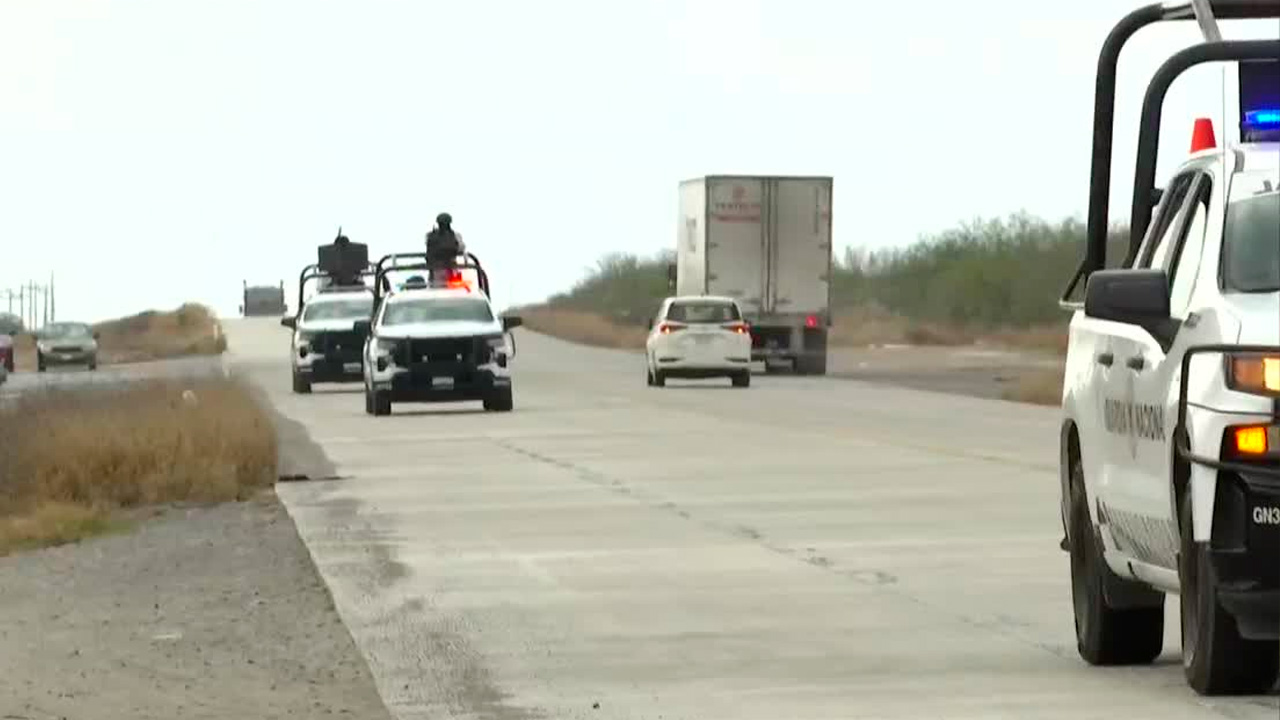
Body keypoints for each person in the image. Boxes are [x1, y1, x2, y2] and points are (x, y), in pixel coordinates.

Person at [425, 212, 467, 286]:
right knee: (454, 291)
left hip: (435, 269)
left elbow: (427, 246)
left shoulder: (430, 235)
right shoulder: (456, 235)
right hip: (451, 268)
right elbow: (461, 248)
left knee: (436, 290)